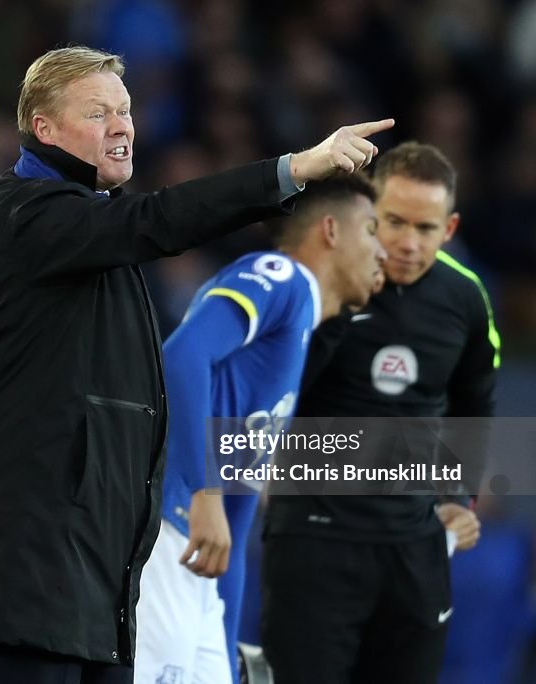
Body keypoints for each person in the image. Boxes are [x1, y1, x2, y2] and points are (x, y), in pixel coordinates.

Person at [0, 44, 394, 684]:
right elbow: (156, 222)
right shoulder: (20, 214)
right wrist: (294, 169)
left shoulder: (87, 238)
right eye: (98, 114)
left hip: (96, 580)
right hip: (22, 578)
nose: (121, 126)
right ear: (44, 128)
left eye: (125, 110)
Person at [134, 174, 387, 684]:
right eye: (373, 230)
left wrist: (223, 635)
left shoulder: (297, 333)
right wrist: (205, 493)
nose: (384, 250)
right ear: (331, 231)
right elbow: (181, 356)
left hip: (201, 565)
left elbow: (240, 509)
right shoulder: (281, 278)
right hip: (170, 529)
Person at [262, 142, 499, 683]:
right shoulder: (314, 280)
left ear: (451, 229)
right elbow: (276, 387)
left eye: (426, 228)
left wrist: (457, 498)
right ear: (369, 209)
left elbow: (475, 405)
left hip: (413, 546)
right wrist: (346, 306)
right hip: (316, 537)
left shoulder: (467, 299)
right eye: (394, 222)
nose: (409, 244)